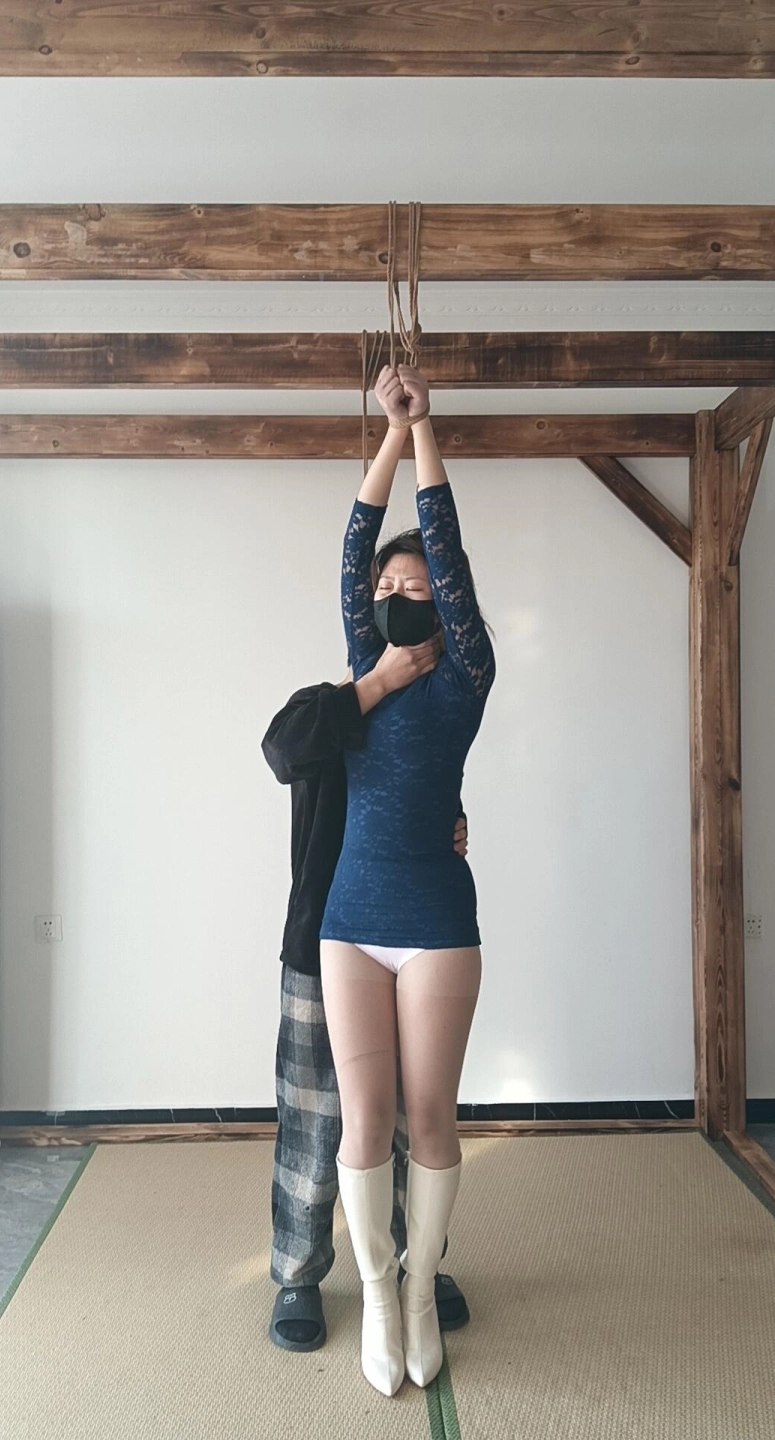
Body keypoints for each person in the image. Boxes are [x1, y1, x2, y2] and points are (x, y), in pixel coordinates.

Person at [319, 363, 496, 1396]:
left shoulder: (465, 677)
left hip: (435, 921)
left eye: (410, 584)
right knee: (363, 1119)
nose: (389, 592)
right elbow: (354, 547)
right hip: (350, 918)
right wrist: (385, 433)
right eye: (385, 588)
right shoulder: (362, 665)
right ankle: (380, 1299)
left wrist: (424, 427)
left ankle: (423, 1291)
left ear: (443, 601)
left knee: (430, 1118)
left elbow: (447, 546)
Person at [263, 650, 472, 1353]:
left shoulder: (430, 718)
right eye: (387, 597)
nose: (400, 611)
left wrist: (453, 821)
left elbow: (425, 800)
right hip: (319, 941)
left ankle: (419, 1261)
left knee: (415, 1112)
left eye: (415, 597)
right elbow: (282, 751)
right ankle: (299, 1274)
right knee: (315, 1113)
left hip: (410, 936)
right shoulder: (327, 705)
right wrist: (377, 683)